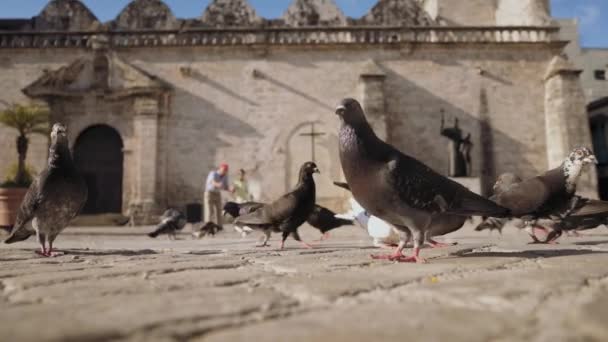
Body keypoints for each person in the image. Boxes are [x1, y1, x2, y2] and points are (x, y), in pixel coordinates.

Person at [203, 163, 233, 228]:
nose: (224, 172)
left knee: (219, 210)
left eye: (226, 170)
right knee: (209, 211)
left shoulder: (225, 176)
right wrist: (218, 184)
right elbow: (212, 182)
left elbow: (225, 186)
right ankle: (208, 226)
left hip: (217, 193)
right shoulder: (213, 173)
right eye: (223, 170)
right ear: (220, 169)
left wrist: (230, 189)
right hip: (209, 193)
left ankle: (219, 226)